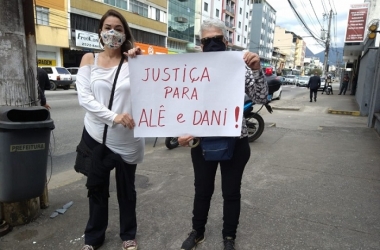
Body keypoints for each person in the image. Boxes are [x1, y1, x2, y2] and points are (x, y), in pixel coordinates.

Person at [177, 19, 267, 250]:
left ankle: (229, 236)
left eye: (217, 38)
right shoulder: (190, 70)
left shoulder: (241, 67)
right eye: (207, 40)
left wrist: (257, 70)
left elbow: (259, 98)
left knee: (231, 192)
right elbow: (178, 103)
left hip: (235, 141)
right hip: (201, 140)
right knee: (202, 190)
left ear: (226, 41)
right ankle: (197, 232)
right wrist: (180, 131)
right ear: (201, 43)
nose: (213, 43)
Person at [76, 9, 144, 250]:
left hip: (128, 138)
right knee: (96, 189)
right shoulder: (89, 59)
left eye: (117, 28)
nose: (112, 32)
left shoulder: (133, 62)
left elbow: (151, 90)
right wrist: (114, 117)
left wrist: (140, 60)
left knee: (127, 191)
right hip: (97, 136)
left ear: (125, 33)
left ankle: (128, 235)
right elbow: (85, 99)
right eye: (107, 28)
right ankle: (93, 238)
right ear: (100, 31)